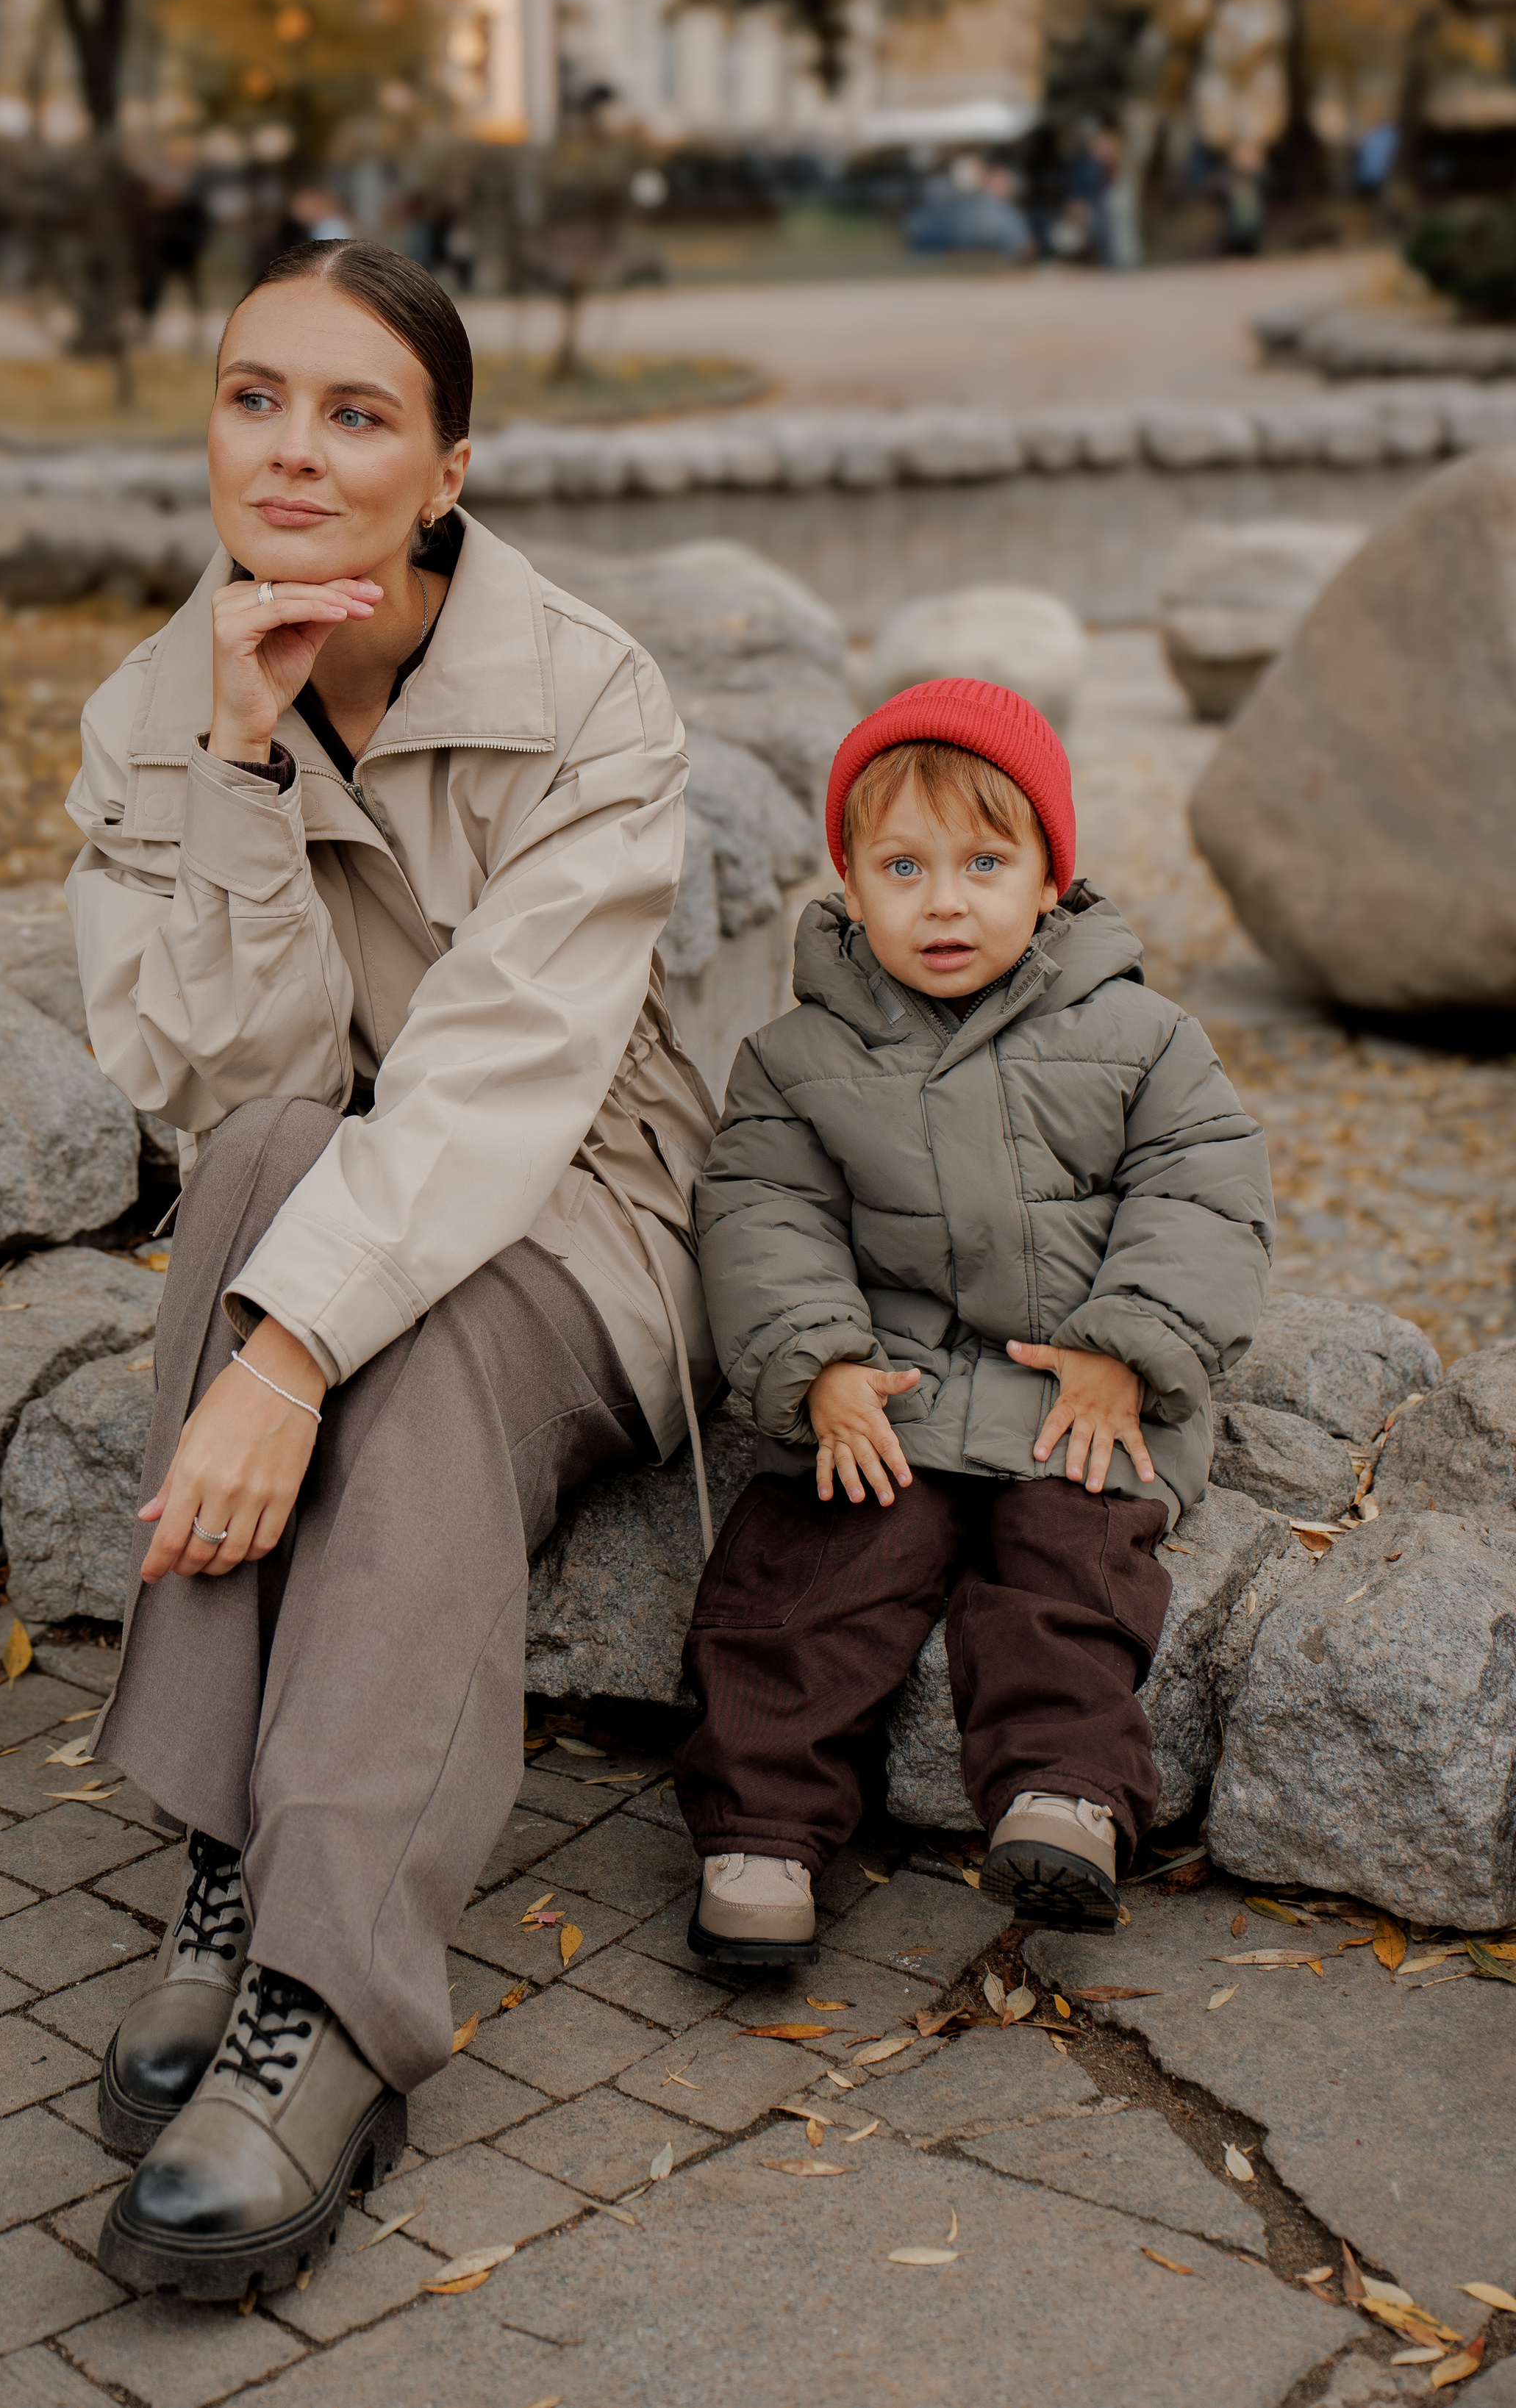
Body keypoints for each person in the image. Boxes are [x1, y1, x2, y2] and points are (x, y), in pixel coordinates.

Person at [63, 237, 719, 2298]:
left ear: (448, 467)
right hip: (338, 1186)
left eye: (357, 414)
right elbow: (216, 1093)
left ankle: (329, 1990)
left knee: (408, 1360)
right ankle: (234, 1858)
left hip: (583, 1212)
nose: (292, 449)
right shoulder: (145, 708)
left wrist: (276, 1359)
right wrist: (244, 764)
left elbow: (503, 1093)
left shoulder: (593, 700)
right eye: (257, 395)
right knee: (267, 1158)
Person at [671, 679, 1273, 1960]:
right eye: (903, 865)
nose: (944, 900)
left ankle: (1063, 1796)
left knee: (1074, 1561)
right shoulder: (793, 1057)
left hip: (1077, 1387)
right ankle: (762, 1830)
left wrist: (1128, 1345)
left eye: (984, 861)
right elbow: (761, 1212)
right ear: (847, 880)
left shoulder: (1143, 1037)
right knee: (807, 1575)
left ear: (1052, 874)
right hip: (888, 1389)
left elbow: (1204, 1193)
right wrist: (817, 1362)